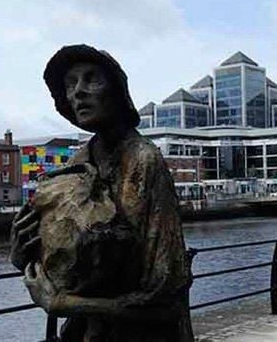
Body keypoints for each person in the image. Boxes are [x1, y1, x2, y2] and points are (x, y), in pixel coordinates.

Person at [10, 44, 194, 341]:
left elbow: (162, 298)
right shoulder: (76, 162)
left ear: (118, 92)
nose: (78, 92)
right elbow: (63, 261)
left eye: (91, 79)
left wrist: (63, 304)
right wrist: (24, 256)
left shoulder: (144, 160)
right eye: (70, 85)